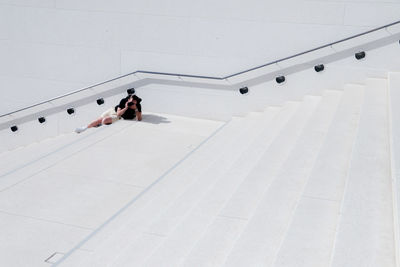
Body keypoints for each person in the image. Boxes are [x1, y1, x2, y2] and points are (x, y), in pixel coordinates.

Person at [75, 94, 142, 133]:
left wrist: (135, 109)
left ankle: (100, 123)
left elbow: (139, 119)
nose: (133, 102)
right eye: (132, 101)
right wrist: (126, 107)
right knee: (99, 119)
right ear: (129, 99)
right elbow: (118, 112)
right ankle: (84, 128)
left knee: (103, 120)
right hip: (113, 110)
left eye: (135, 101)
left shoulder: (137, 106)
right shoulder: (124, 101)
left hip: (120, 116)